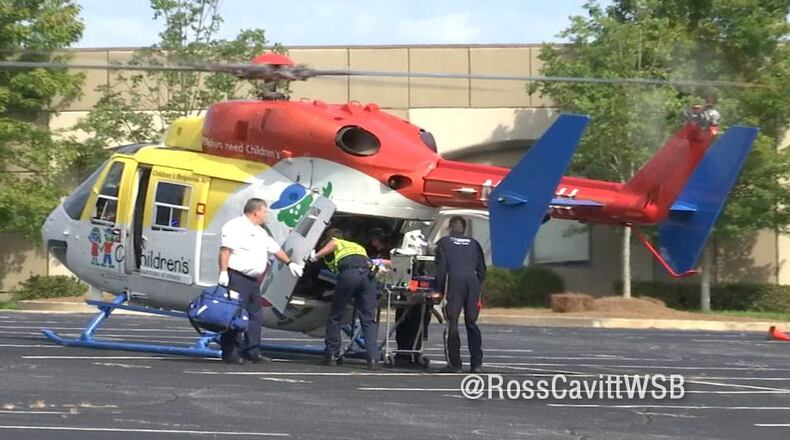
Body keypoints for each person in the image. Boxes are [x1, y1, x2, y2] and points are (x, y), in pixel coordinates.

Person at [218, 198, 305, 365]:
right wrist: (223, 272)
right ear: (256, 211)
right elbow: (225, 250)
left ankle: (253, 351)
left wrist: (289, 263)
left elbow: (274, 248)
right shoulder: (235, 226)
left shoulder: (260, 231)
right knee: (234, 315)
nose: (266, 215)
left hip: (252, 280)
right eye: (265, 211)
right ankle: (230, 352)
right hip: (237, 277)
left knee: (255, 315)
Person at [311, 228, 380, 370]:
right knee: (368, 319)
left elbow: (334, 244)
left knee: (336, 316)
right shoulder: (356, 246)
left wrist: (315, 256)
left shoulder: (337, 243)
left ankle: (332, 355)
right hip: (368, 276)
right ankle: (373, 358)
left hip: (350, 274)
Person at [434, 216, 486, 373]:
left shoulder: (443, 243)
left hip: (454, 281)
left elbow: (441, 268)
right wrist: (477, 286)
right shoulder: (474, 243)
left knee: (452, 321)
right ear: (464, 228)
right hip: (472, 282)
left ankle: (455, 364)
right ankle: (476, 364)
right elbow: (482, 269)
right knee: (471, 322)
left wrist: (439, 289)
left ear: (450, 227)